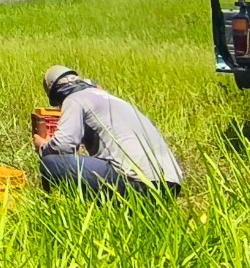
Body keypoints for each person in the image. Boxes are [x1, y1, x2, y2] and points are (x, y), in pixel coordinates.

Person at [34, 64, 182, 197]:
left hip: (137, 181)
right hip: (171, 184)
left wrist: (43, 146)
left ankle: (57, 208)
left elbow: (62, 145)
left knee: (51, 163)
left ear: (57, 94)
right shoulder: (112, 99)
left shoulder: (73, 99)